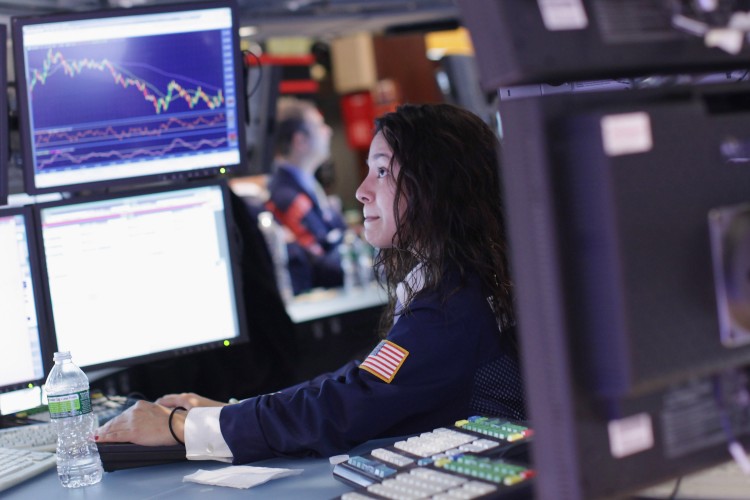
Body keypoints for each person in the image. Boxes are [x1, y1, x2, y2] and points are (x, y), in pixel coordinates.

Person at [96, 103, 526, 465]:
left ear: (437, 186)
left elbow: (347, 406)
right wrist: (233, 412)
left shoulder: (453, 304)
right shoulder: (463, 279)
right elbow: (359, 381)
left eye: (382, 172)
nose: (361, 191)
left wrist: (184, 427)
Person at [264, 96, 348, 294]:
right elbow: (323, 263)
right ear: (299, 140)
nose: (328, 131)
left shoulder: (305, 185)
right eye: (320, 126)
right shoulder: (287, 197)